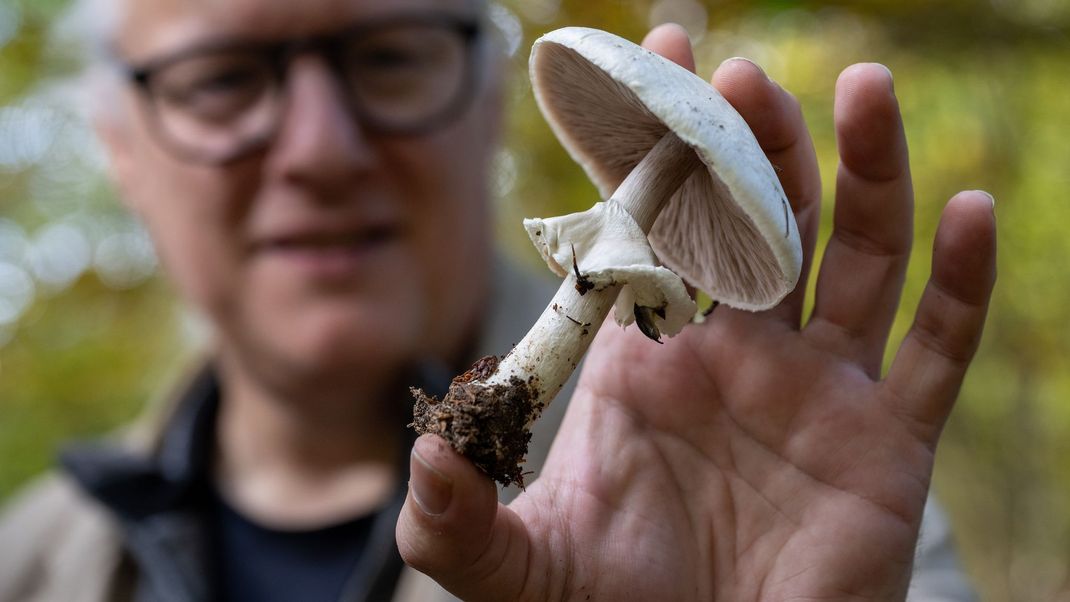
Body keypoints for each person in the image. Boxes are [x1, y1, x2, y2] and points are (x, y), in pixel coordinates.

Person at [0, 0, 996, 600]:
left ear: (488, 102)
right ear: (119, 148)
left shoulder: (758, 467)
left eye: (387, 57)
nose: (319, 150)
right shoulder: (32, 563)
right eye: (219, 79)